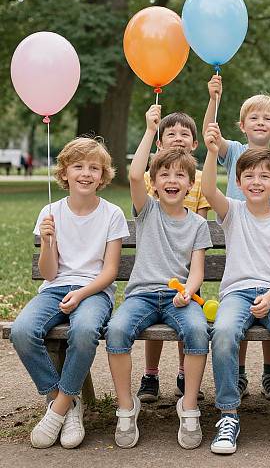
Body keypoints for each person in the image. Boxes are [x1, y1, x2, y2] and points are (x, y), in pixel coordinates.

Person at [10, 137, 128, 449]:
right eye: (78, 167)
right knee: (22, 331)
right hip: (55, 289)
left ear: (103, 176)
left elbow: (110, 271)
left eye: (94, 168)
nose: (86, 173)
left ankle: (58, 408)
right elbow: (49, 273)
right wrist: (48, 243)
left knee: (86, 329)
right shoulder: (50, 212)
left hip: (94, 291)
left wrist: (82, 293)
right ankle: (65, 400)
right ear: (65, 173)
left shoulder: (112, 214)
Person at [105, 109, 212, 450]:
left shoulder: (197, 224)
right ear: (155, 182)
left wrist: (190, 291)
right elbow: (135, 173)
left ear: (189, 183)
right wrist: (151, 130)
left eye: (180, 175)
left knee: (197, 331)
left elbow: (196, 269)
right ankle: (126, 407)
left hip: (179, 297)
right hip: (142, 296)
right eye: (164, 174)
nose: (171, 179)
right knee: (117, 331)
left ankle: (189, 406)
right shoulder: (147, 210)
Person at [202, 125, 270, 455]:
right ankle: (228, 414)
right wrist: (209, 150)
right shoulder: (232, 212)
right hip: (236, 293)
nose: (256, 182)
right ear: (238, 182)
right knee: (221, 332)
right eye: (249, 176)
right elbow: (206, 189)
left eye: (264, 177)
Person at [203, 75, 270, 401]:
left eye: (267, 118)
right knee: (230, 325)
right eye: (253, 117)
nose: (260, 122)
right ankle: (236, 379)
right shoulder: (237, 154)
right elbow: (210, 140)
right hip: (238, 238)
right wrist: (214, 99)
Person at [138, 106, 210, 404]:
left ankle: (184, 373)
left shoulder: (200, 180)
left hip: (188, 264)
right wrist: (149, 128)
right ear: (159, 142)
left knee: (188, 320)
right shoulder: (149, 178)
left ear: (195, 143)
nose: (178, 138)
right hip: (155, 265)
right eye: (171, 134)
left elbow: (202, 222)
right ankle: (151, 373)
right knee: (153, 324)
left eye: (185, 134)